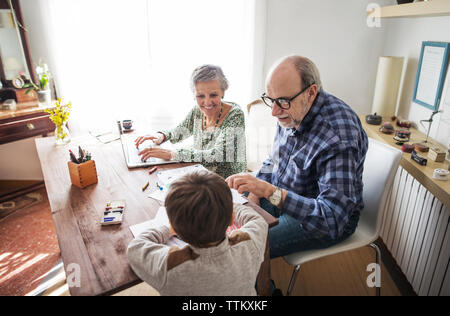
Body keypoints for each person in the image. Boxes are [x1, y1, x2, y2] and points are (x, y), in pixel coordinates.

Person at [226, 55, 368, 259]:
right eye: (271, 100)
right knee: (225, 220)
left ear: (311, 93)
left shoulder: (337, 135)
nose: (274, 111)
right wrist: (255, 194)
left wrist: (268, 191)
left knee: (241, 251)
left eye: (282, 101)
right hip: (283, 195)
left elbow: (332, 218)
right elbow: (273, 160)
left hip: (321, 218)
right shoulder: (290, 110)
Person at [127, 170, 268, 296]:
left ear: (174, 227)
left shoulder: (169, 265)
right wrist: (229, 206)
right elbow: (257, 221)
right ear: (231, 219)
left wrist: (167, 229)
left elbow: (136, 247)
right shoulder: (249, 244)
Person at [135, 65, 246, 179]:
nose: (207, 102)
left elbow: (217, 156)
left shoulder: (235, 115)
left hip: (229, 183)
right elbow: (181, 130)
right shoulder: (197, 110)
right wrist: (162, 135)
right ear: (194, 94)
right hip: (201, 173)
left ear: (223, 91)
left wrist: (172, 154)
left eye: (213, 95)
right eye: (200, 96)